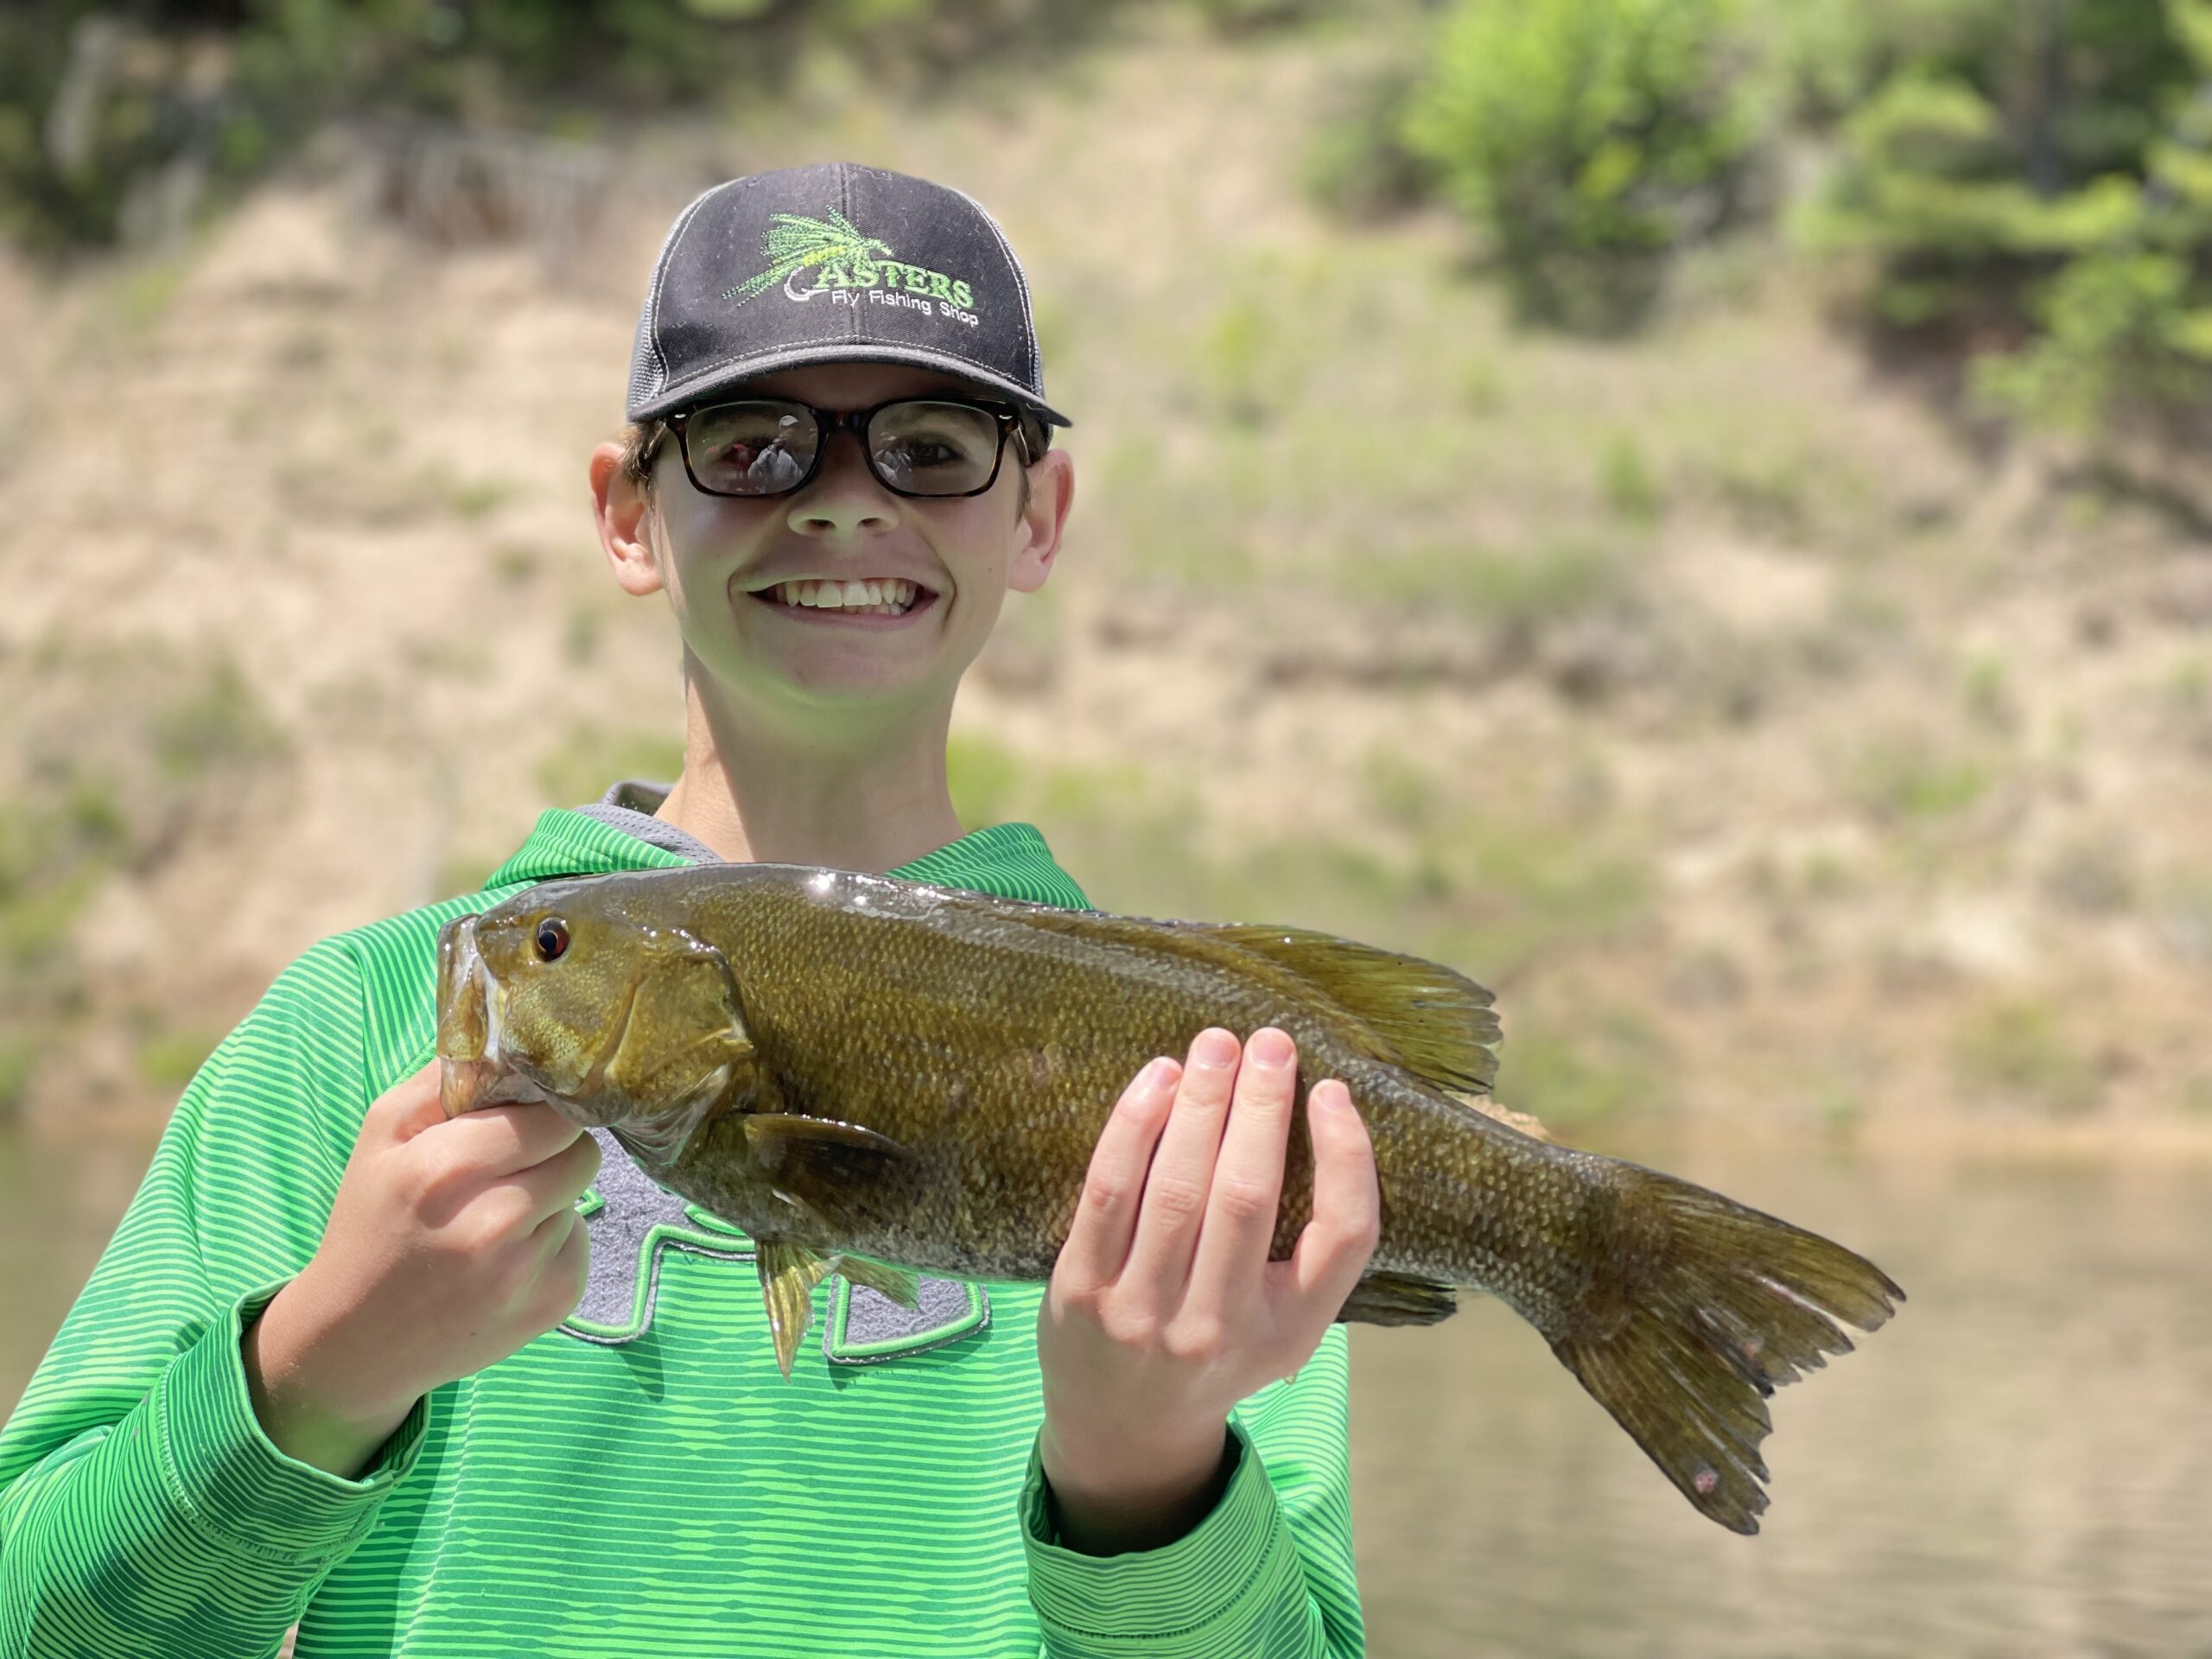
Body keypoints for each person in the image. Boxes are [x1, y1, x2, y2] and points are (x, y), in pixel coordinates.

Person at [0, 162, 1377, 1658]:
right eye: (753, 444)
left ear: (1038, 515)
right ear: (628, 512)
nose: (846, 504)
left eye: (929, 446)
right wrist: (322, 1367)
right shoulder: (351, 1034)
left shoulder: (1203, 1108)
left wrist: (1144, 1473)